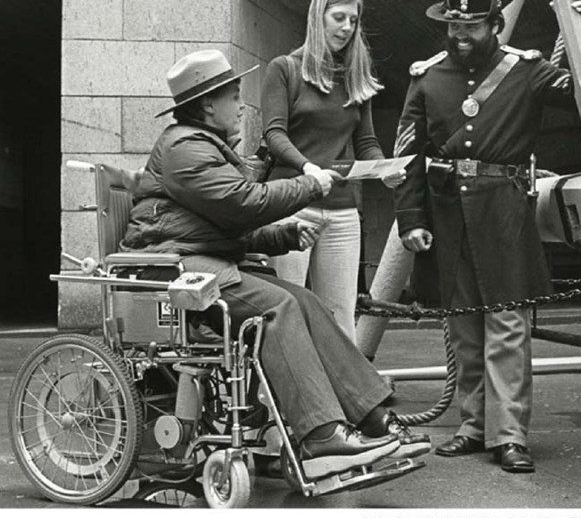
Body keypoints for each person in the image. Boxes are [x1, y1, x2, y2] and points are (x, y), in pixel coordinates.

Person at [120, 49, 430, 479]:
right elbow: (244, 206)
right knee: (277, 307)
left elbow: (222, 225)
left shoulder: (202, 147)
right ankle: (321, 435)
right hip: (171, 268)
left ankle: (371, 415)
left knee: (303, 301)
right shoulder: (184, 149)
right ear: (208, 104)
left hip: (198, 258)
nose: (242, 106)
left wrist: (284, 235)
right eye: (234, 96)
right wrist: (309, 183)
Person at [393, 0, 581, 474]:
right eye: (454, 26)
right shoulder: (426, 79)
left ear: (495, 24)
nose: (460, 36)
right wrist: (411, 218)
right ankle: (472, 425)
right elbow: (407, 159)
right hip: (447, 217)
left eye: (471, 26)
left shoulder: (525, 70)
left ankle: (509, 435)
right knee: (463, 324)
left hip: (504, 213)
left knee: (507, 326)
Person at [261, 0, 405, 342]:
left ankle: (348, 398)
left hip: (342, 210)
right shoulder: (284, 69)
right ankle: (276, 394)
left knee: (341, 315)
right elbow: (274, 135)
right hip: (291, 204)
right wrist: (308, 169)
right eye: (338, 17)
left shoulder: (355, 75)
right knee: (284, 310)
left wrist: (384, 170)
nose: (346, 28)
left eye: (353, 20)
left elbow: (366, 141)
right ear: (318, 17)